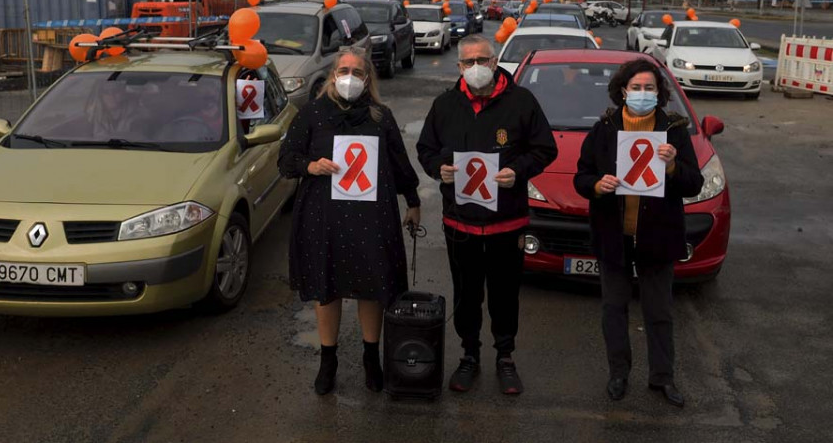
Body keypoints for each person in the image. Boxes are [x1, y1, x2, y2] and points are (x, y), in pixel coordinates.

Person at [416, 34, 557, 395]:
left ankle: (505, 357)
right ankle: (469, 355)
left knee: (505, 294)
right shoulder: (445, 104)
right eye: (468, 62)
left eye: (483, 60)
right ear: (459, 66)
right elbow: (426, 148)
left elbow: (545, 149)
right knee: (466, 294)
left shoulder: (522, 102)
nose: (476, 68)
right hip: (459, 222)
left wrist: (519, 171)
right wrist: (439, 169)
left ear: (495, 63)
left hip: (506, 223)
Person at [278, 48, 421, 395]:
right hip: (322, 217)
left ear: (367, 79)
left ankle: (371, 356)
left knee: (372, 287)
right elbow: (286, 160)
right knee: (327, 289)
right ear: (331, 75)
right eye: (344, 70)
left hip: (371, 217)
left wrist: (413, 202)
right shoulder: (311, 113)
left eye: (358, 72)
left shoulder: (381, 116)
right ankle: (329, 361)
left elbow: (401, 165)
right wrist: (310, 166)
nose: (349, 77)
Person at [573, 58, 703, 407]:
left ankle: (663, 378)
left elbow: (694, 184)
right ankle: (618, 373)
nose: (642, 94)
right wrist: (598, 185)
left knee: (659, 311)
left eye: (650, 88)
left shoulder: (674, 129)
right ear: (623, 90)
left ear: (659, 93)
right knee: (613, 308)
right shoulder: (604, 128)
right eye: (636, 88)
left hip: (657, 236)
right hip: (614, 235)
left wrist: (674, 165)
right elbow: (581, 177)